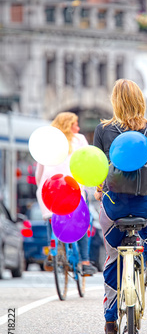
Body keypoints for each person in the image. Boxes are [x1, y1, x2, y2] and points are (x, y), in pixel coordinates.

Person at [93, 79, 147, 334]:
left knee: (112, 257)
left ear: (115, 101)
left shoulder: (102, 130)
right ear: (140, 100)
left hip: (114, 206)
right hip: (144, 202)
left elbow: (96, 166)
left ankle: (109, 321)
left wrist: (98, 189)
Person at [35, 112, 97, 276]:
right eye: (75, 124)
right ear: (69, 125)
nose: (78, 127)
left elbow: (39, 173)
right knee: (84, 221)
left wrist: (40, 186)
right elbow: (86, 162)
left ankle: (53, 249)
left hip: (50, 188)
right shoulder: (79, 139)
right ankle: (84, 261)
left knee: (51, 217)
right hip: (72, 188)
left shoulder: (47, 142)